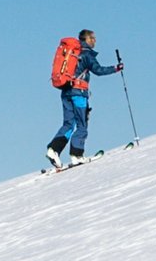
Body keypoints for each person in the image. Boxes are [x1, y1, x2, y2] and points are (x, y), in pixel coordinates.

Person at [45, 28, 119, 169]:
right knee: (82, 124)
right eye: (93, 38)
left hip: (65, 91)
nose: (95, 41)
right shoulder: (86, 55)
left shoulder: (71, 53)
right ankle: (76, 155)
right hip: (79, 92)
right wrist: (115, 68)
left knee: (68, 124)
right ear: (86, 39)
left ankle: (53, 149)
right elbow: (98, 70)